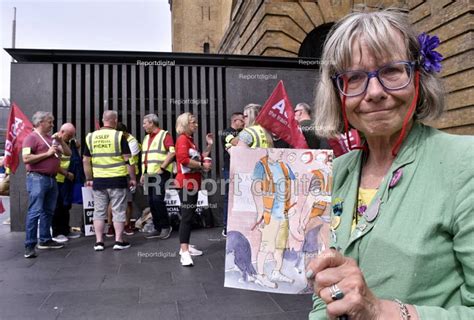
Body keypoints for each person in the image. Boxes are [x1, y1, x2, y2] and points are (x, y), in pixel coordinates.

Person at [307, 10, 473, 320]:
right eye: (354, 77)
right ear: (337, 92)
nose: (374, 92)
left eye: (392, 71)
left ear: (418, 78)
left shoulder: (465, 164)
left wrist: (379, 312)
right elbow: (324, 293)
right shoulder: (334, 171)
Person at [83, 110, 137, 251]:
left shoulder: (91, 137)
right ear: (115, 120)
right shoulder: (119, 136)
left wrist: (89, 178)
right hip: (117, 179)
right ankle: (118, 241)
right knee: (119, 210)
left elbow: (86, 160)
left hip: (99, 180)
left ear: (102, 120)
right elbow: (128, 160)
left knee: (99, 211)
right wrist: (132, 178)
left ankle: (99, 242)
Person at [22, 111, 71, 258]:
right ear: (40, 122)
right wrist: (47, 154)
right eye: (50, 122)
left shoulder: (51, 139)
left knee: (48, 211)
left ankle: (45, 239)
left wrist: (61, 141)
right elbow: (26, 158)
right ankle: (29, 245)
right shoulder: (30, 138)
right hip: (37, 178)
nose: (52, 124)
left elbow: (68, 153)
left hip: (51, 179)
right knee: (35, 211)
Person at [251, 149, 296, 288]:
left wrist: (293, 204)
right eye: (279, 150)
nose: (282, 151)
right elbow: (256, 188)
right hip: (270, 214)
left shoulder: (284, 166)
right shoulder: (261, 165)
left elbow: (292, 184)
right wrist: (260, 211)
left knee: (280, 246)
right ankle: (260, 275)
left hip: (284, 213)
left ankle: (276, 272)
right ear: (270, 150)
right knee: (265, 246)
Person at [175, 112, 213, 266]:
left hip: (193, 184)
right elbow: (183, 160)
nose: (196, 125)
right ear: (185, 124)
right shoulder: (183, 140)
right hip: (186, 184)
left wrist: (209, 145)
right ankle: (184, 252)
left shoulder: (190, 141)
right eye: (193, 122)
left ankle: (186, 247)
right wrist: (202, 166)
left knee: (189, 216)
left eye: (196, 122)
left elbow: (199, 158)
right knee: (187, 217)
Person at [140, 114, 175, 240]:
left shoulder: (164, 135)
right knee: (151, 201)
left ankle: (166, 226)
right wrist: (144, 174)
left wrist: (162, 168)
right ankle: (157, 227)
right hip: (149, 174)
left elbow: (172, 152)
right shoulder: (146, 138)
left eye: (145, 123)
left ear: (152, 123)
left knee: (157, 199)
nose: (143, 125)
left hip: (160, 173)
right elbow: (146, 158)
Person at [106, 122, 141, 237]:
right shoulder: (116, 139)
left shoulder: (132, 141)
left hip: (128, 175)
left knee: (128, 202)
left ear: (124, 133)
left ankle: (127, 225)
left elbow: (127, 157)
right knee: (113, 200)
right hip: (115, 173)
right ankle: (111, 226)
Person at [52, 123, 81, 243]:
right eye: (68, 136)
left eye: (72, 136)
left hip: (68, 181)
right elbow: (54, 163)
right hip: (59, 179)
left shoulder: (70, 143)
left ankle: (65, 229)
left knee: (66, 205)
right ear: (62, 132)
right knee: (58, 206)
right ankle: (57, 232)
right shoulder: (55, 143)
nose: (70, 138)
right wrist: (66, 173)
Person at [220, 112, 245, 237]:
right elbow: (235, 142)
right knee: (228, 198)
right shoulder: (226, 133)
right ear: (235, 121)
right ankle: (226, 227)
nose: (244, 123)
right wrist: (246, 134)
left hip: (241, 169)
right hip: (229, 169)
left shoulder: (241, 133)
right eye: (241, 120)